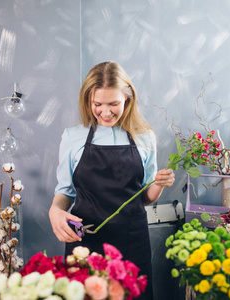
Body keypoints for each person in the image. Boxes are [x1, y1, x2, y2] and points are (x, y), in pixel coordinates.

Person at [49, 61, 175, 299]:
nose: (105, 112)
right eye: (98, 104)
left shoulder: (145, 137)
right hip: (85, 242)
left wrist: (159, 183)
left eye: (114, 104)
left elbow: (146, 197)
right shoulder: (72, 137)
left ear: (128, 99)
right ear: (88, 101)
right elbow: (65, 191)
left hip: (132, 241)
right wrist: (55, 211)